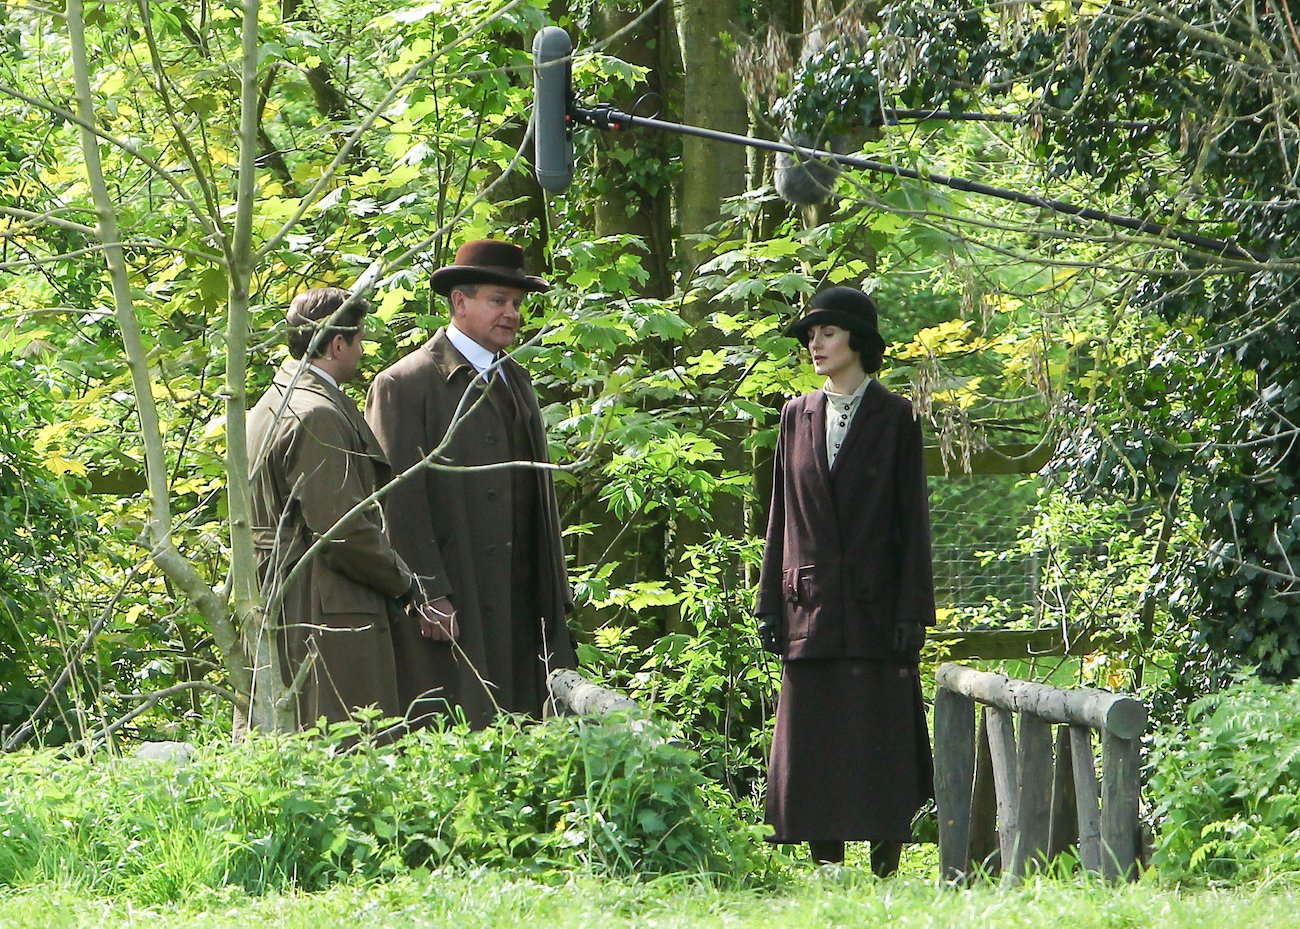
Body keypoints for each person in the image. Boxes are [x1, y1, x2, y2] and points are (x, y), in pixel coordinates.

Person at [755, 285, 936, 875]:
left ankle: (887, 858)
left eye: (826, 333)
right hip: (809, 604)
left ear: (857, 341)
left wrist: (914, 610)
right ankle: (824, 859)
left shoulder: (894, 416)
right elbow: (780, 516)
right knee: (815, 735)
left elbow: (913, 519)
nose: (815, 344)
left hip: (876, 605)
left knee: (879, 727)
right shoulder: (794, 415)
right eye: (811, 336)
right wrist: (769, 603)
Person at [365, 239, 576, 729]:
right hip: (457, 595)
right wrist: (427, 592)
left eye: (518, 305)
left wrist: (554, 589)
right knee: (456, 730)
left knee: (526, 730)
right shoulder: (404, 385)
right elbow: (396, 501)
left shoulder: (517, 379)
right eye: (498, 301)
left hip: (522, 593)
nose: (512, 315)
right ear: (460, 303)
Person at [247, 287, 417, 729]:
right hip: (322, 604)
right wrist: (403, 582)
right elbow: (341, 529)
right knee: (340, 743)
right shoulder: (315, 414)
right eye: (359, 339)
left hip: (281, 592)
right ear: (337, 344)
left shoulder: (270, 402)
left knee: (289, 735)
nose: (362, 351)